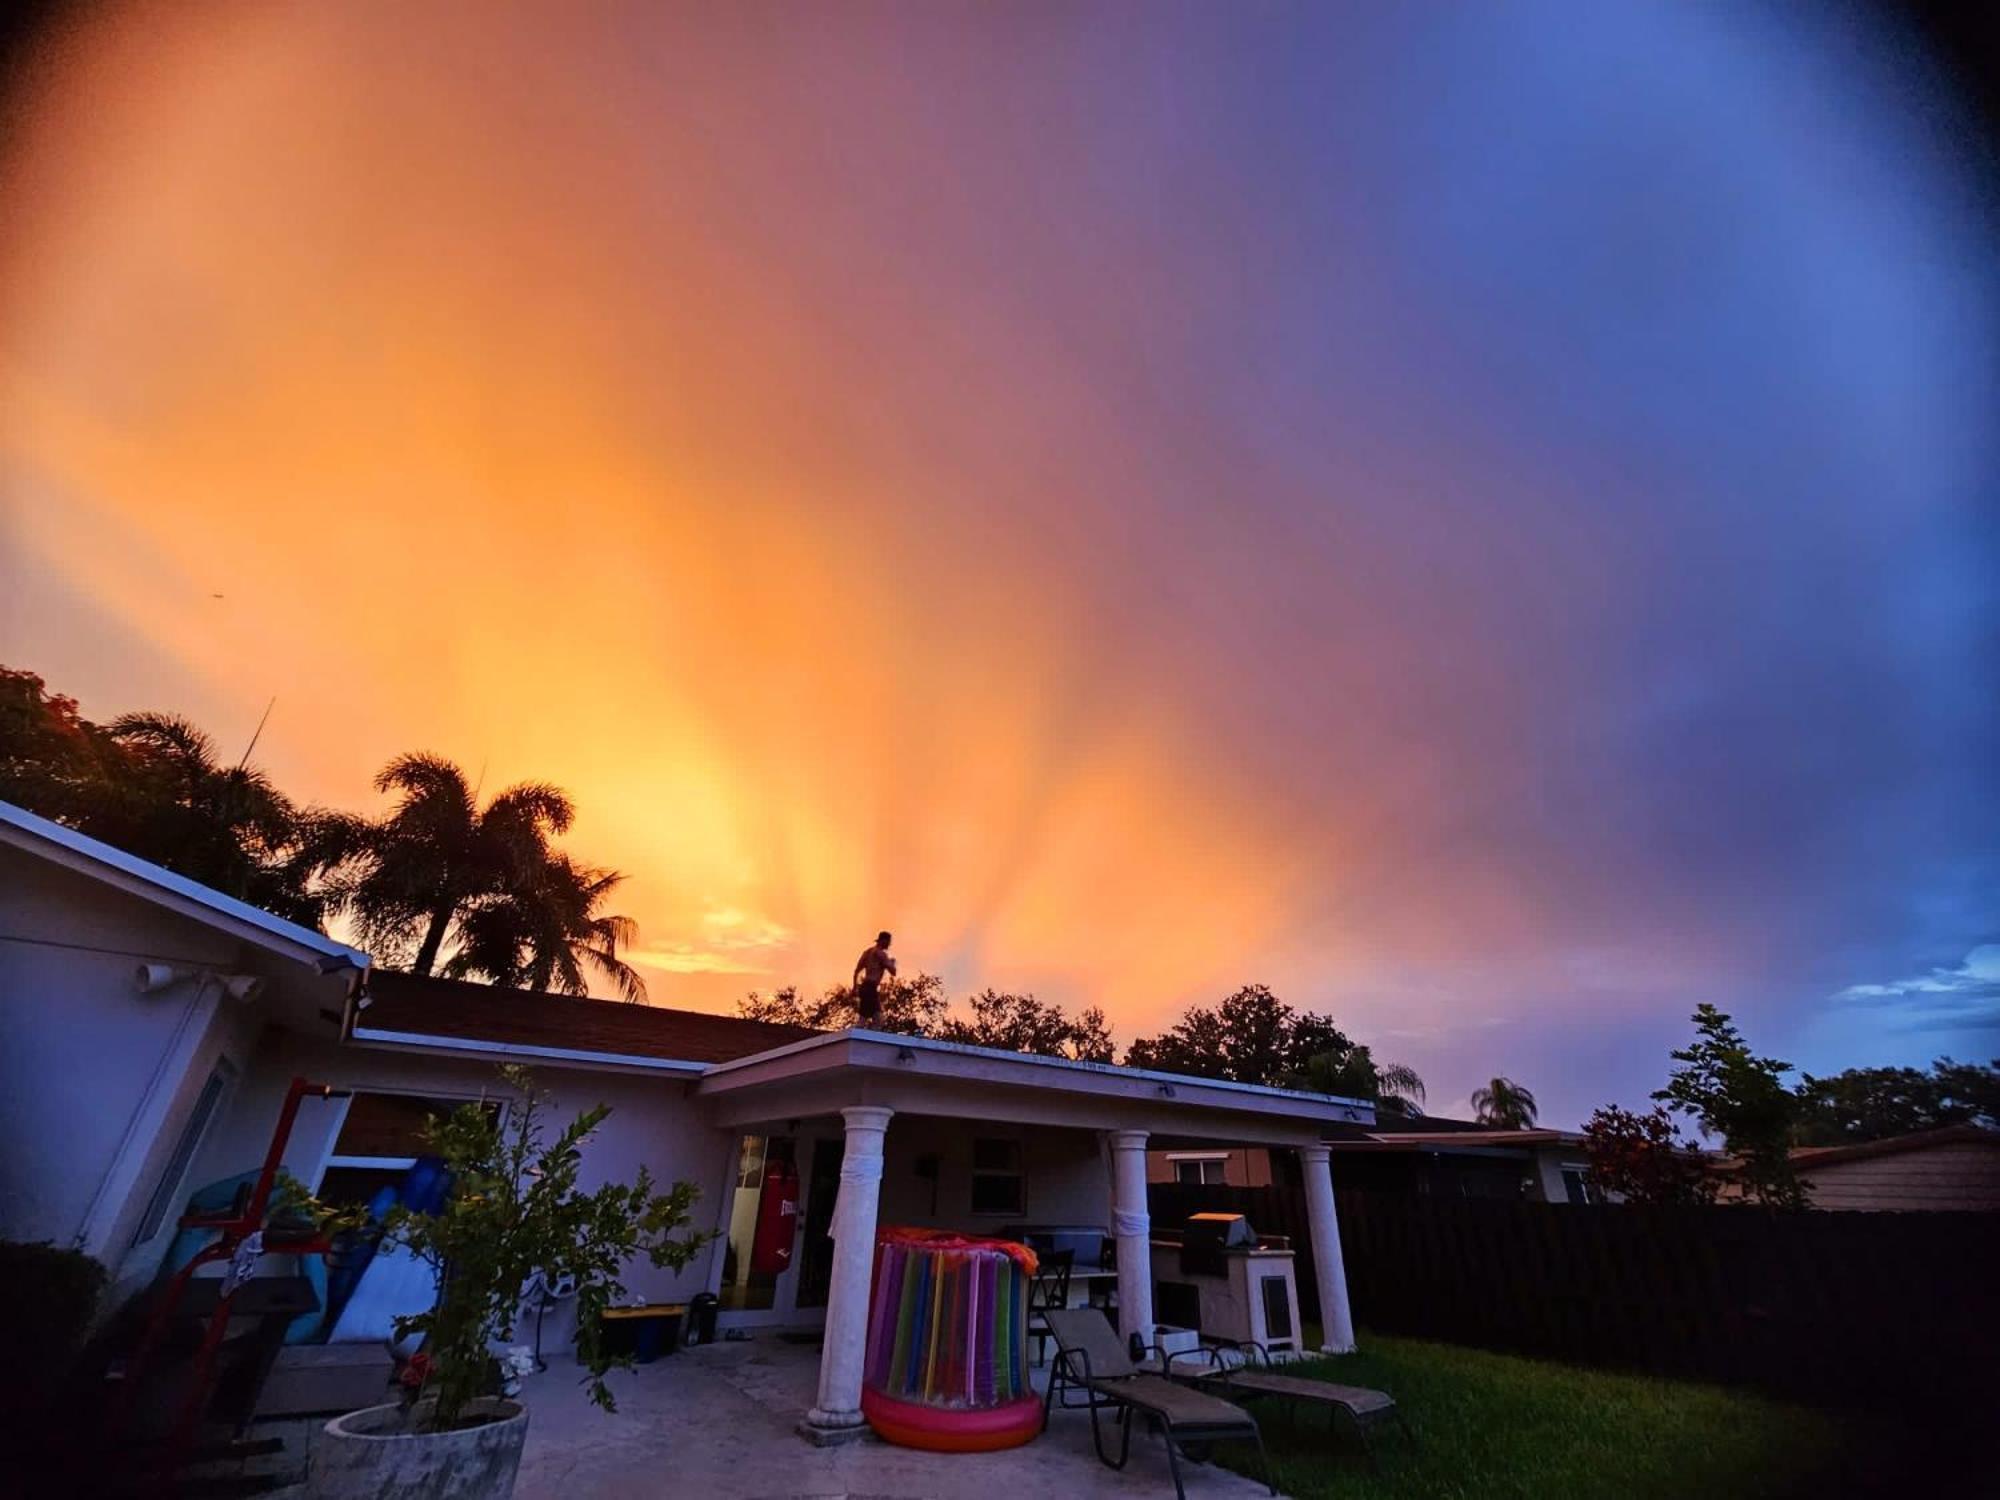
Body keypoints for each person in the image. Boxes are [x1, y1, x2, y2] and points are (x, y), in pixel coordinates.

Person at [851, 931, 897, 1024]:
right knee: (878, 1019)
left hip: (864, 988)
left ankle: (859, 1035)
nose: (889, 945)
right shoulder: (881, 954)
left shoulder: (867, 952)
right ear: (883, 941)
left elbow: (856, 971)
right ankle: (864, 1036)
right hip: (870, 988)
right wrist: (892, 962)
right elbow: (893, 972)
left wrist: (855, 987)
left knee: (864, 1019)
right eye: (888, 942)